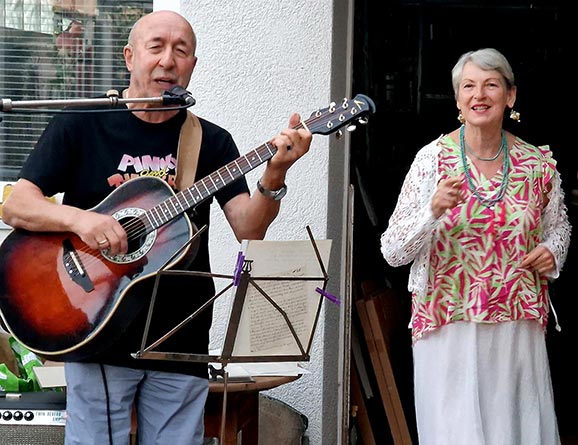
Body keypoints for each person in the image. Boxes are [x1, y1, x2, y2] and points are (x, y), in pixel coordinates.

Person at [1, 10, 311, 445]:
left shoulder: (211, 141)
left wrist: (276, 173)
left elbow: (248, 228)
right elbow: (17, 206)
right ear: (130, 57)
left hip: (179, 334)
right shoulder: (81, 124)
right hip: (95, 323)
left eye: (181, 51)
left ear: (193, 65)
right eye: (156, 47)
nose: (168, 60)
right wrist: (82, 219)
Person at [380, 47, 571, 445]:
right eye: (468, 86)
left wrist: (553, 250)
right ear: (457, 99)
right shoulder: (431, 160)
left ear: (510, 96)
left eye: (490, 85)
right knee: (456, 431)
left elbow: (558, 228)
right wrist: (431, 210)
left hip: (516, 323)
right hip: (448, 322)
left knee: (514, 430)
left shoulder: (537, 165)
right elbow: (392, 250)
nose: (478, 95)